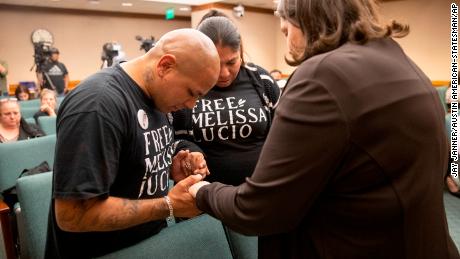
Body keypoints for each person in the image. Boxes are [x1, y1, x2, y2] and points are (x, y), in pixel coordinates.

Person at [189, 0, 460, 258]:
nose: (289, 45)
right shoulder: (400, 60)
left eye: (285, 30)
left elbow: (259, 211)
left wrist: (202, 192)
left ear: (303, 20)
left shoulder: (320, 77)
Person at [45, 29, 220, 258]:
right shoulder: (98, 105)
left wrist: (167, 166)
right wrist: (168, 205)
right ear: (165, 66)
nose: (191, 105)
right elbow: (73, 215)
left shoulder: (159, 97)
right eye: (191, 93)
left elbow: (128, 165)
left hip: (147, 245)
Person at [172, 16, 280, 186]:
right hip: (204, 198)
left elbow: (282, 135)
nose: (223, 73)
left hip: (260, 191)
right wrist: (189, 151)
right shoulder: (186, 87)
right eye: (214, 62)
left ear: (240, 53)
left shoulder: (262, 80)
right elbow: (170, 140)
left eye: (231, 62)